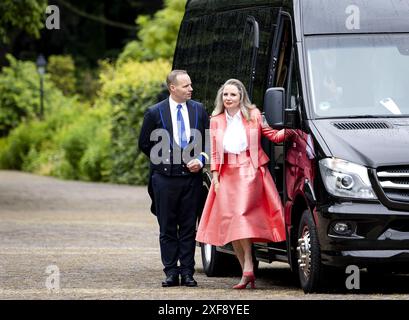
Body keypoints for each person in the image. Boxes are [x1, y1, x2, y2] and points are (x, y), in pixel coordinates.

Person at [196, 79, 289, 289]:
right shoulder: (216, 120)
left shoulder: (254, 115)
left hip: (249, 169)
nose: (228, 98)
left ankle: (248, 263)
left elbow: (272, 135)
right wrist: (215, 176)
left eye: (233, 95)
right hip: (226, 173)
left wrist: (295, 130)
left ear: (241, 98)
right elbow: (214, 150)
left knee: (239, 216)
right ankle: (246, 272)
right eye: (225, 95)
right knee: (231, 222)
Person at [138, 70, 209, 287]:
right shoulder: (154, 112)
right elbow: (144, 143)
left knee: (188, 227)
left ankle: (187, 272)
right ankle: (170, 272)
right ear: (173, 88)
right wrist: (165, 160)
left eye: (190, 85)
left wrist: (201, 158)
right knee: (167, 227)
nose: (191, 89)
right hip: (164, 179)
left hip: (191, 178)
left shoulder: (199, 109)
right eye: (186, 86)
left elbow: (208, 140)